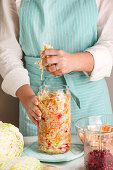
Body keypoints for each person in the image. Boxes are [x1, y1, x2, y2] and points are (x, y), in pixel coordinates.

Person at [0, 0, 113, 136]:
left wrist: (75, 61)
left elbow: (110, 43)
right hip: (37, 104)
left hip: (92, 107)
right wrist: (26, 96)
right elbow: (6, 50)